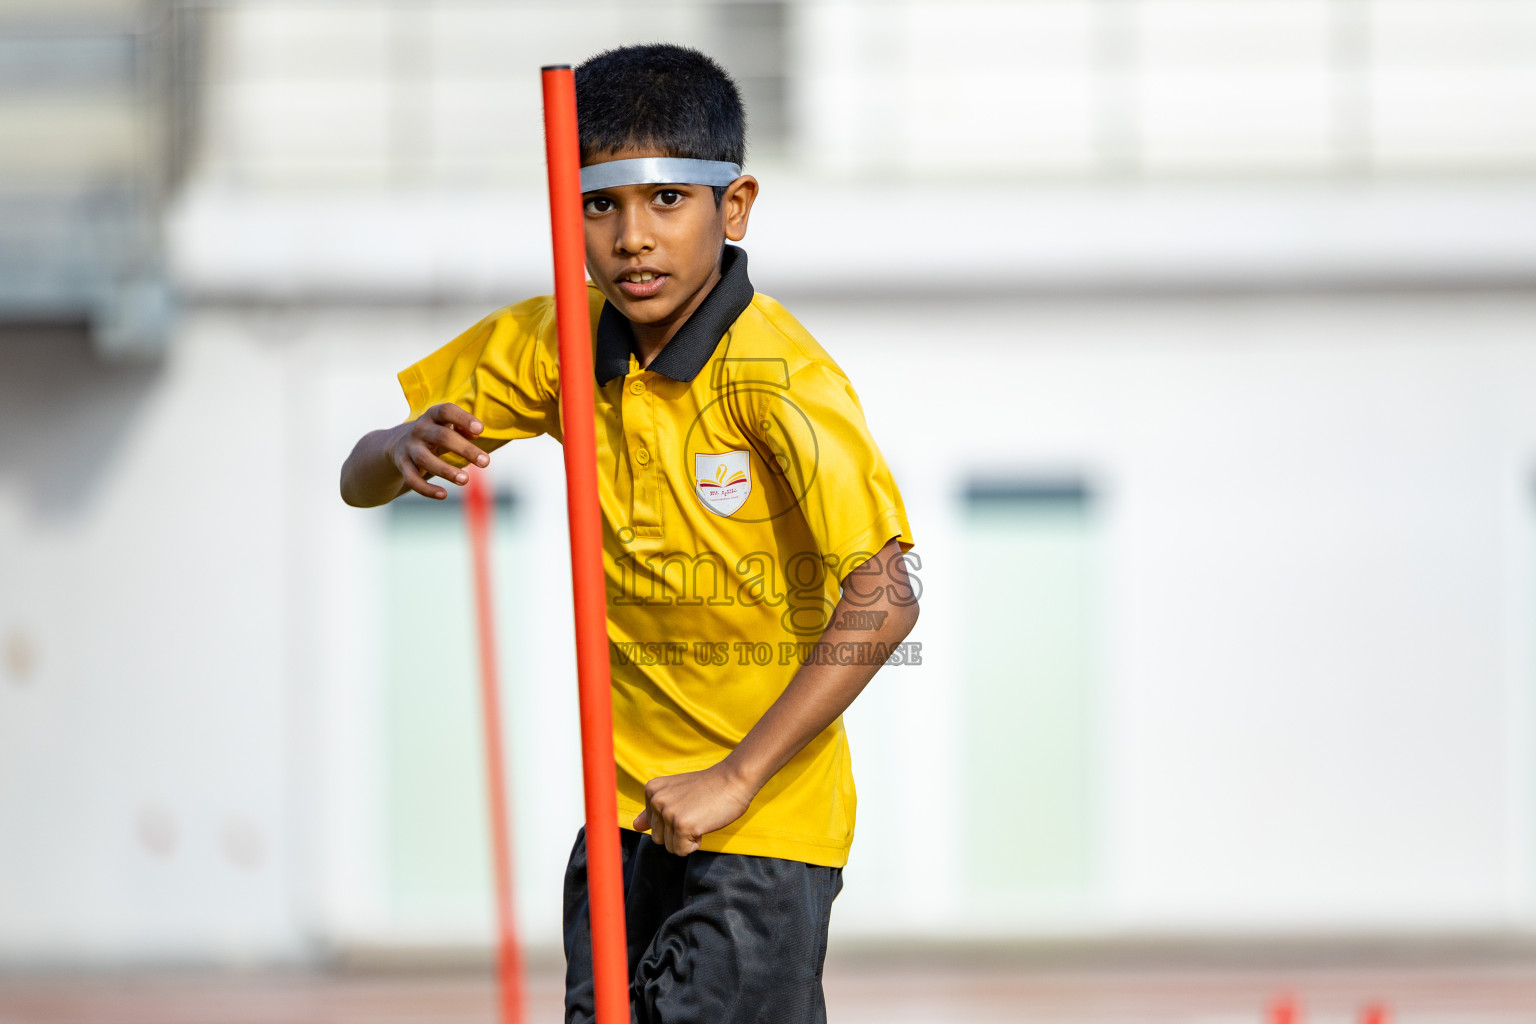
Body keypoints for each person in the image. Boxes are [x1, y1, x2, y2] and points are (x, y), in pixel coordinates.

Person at [340, 42, 918, 1024]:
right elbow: (356, 477)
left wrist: (736, 777)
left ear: (732, 208)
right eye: (600, 205)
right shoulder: (559, 338)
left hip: (763, 824)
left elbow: (888, 595)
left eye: (665, 201)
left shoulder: (779, 378)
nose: (632, 238)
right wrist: (399, 448)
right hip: (623, 825)